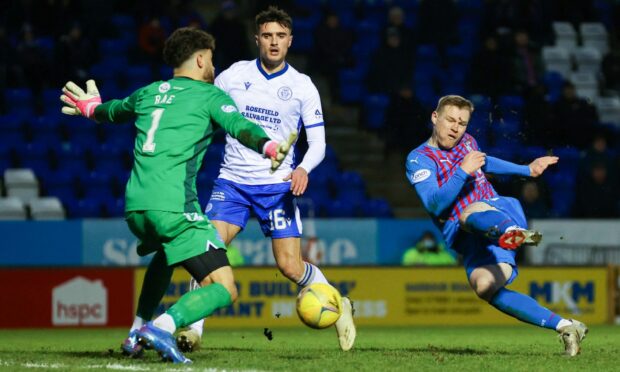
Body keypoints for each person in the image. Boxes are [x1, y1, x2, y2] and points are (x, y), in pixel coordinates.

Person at [126, 6, 356, 354]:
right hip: (231, 183)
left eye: (280, 36)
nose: (274, 42)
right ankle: (193, 330)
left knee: (290, 266)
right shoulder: (233, 76)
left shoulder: (302, 86)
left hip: (277, 187)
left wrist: (303, 168)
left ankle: (340, 307)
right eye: (267, 35)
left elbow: (319, 143)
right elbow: (197, 98)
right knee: (206, 249)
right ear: (257, 39)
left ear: (290, 41)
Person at [60, 27, 294, 364]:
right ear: (201, 59)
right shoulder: (208, 96)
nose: (213, 68)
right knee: (225, 287)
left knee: (165, 255)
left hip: (136, 209)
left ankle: (135, 332)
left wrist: (90, 108)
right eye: (211, 60)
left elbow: (110, 111)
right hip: (174, 208)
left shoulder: (147, 93)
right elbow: (240, 127)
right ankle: (161, 326)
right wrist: (269, 145)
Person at [405, 95, 588, 357]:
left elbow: (484, 162)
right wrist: (463, 171)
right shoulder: (418, 159)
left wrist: (528, 171)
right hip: (467, 238)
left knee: (468, 212)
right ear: (435, 118)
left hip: (495, 213)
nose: (456, 128)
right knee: (484, 287)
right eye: (450, 120)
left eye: (462, 122)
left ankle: (510, 232)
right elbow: (434, 203)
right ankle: (567, 326)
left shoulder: (466, 143)